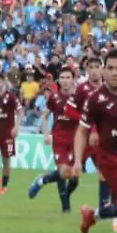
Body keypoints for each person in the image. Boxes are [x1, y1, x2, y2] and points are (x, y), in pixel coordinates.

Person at [75, 50, 117, 233]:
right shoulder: (95, 99)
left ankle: (93, 215)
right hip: (112, 161)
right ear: (104, 71)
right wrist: (78, 160)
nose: (114, 73)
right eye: (110, 68)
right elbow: (82, 130)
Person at [29, 67, 80, 212]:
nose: (65, 80)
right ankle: (65, 208)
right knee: (63, 171)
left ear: (73, 80)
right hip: (59, 139)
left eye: (68, 77)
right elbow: (45, 116)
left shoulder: (79, 97)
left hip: (76, 140)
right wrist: (46, 134)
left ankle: (43, 180)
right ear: (59, 80)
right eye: (62, 77)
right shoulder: (54, 98)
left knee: (74, 177)